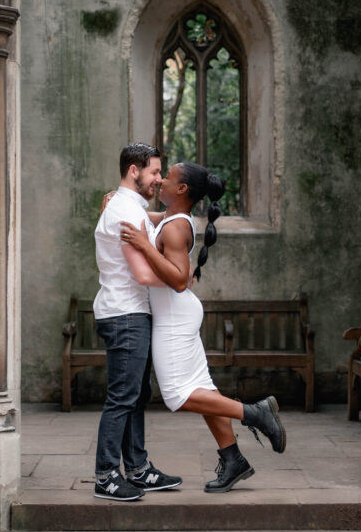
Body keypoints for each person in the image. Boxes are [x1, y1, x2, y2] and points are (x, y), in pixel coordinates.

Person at [120, 161, 286, 494]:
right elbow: (150, 221)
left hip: (173, 320)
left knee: (179, 396)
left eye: (168, 177)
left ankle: (255, 413)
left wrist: (141, 245)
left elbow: (180, 280)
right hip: (178, 315)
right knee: (203, 389)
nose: (162, 180)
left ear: (182, 189)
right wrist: (119, 200)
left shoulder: (174, 228)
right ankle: (233, 458)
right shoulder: (171, 220)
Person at [92, 142, 182, 502]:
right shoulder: (124, 212)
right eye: (155, 172)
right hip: (125, 314)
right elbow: (144, 274)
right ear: (135, 171)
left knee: (136, 395)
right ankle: (105, 476)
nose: (159, 180)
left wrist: (181, 215)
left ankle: (138, 469)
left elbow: (153, 223)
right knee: (122, 397)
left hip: (131, 313)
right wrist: (181, 279)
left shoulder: (129, 207)